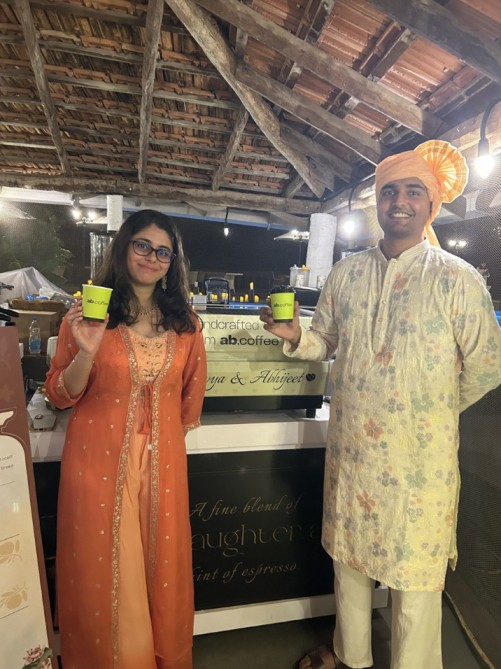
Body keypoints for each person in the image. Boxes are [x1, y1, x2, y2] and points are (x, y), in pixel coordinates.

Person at [260, 140, 501, 669]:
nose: (400, 201)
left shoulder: (457, 279)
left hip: (420, 463)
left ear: (431, 204)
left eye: (413, 191)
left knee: (415, 580)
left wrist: (429, 409)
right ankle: (351, 657)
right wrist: (296, 335)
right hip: (354, 453)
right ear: (378, 203)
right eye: (390, 191)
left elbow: (487, 366)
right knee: (349, 565)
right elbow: (325, 341)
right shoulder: (347, 274)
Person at [45, 210, 207, 669]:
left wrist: (158, 436)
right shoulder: (89, 315)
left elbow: (190, 399)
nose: (152, 257)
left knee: (160, 566)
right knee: (106, 570)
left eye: (163, 252)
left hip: (162, 466)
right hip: (97, 463)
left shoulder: (187, 325)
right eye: (143, 245)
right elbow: (59, 394)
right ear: (124, 248)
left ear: (172, 263)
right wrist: (87, 351)